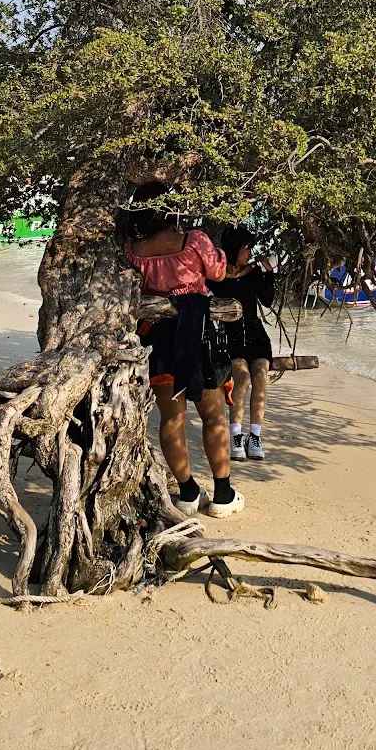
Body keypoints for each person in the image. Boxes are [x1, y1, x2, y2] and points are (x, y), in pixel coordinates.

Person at [123, 186, 243, 519]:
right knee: (213, 415)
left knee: (171, 419)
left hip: (159, 341)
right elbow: (218, 272)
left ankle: (188, 491)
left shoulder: (132, 251)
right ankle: (222, 495)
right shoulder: (194, 240)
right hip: (199, 338)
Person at [210, 228, 276, 461]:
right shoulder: (217, 276)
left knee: (259, 377)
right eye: (246, 247)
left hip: (256, 337)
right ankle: (236, 435)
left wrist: (269, 272)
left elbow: (267, 301)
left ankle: (255, 436)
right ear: (234, 249)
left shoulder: (254, 273)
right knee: (242, 378)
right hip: (231, 338)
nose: (249, 252)